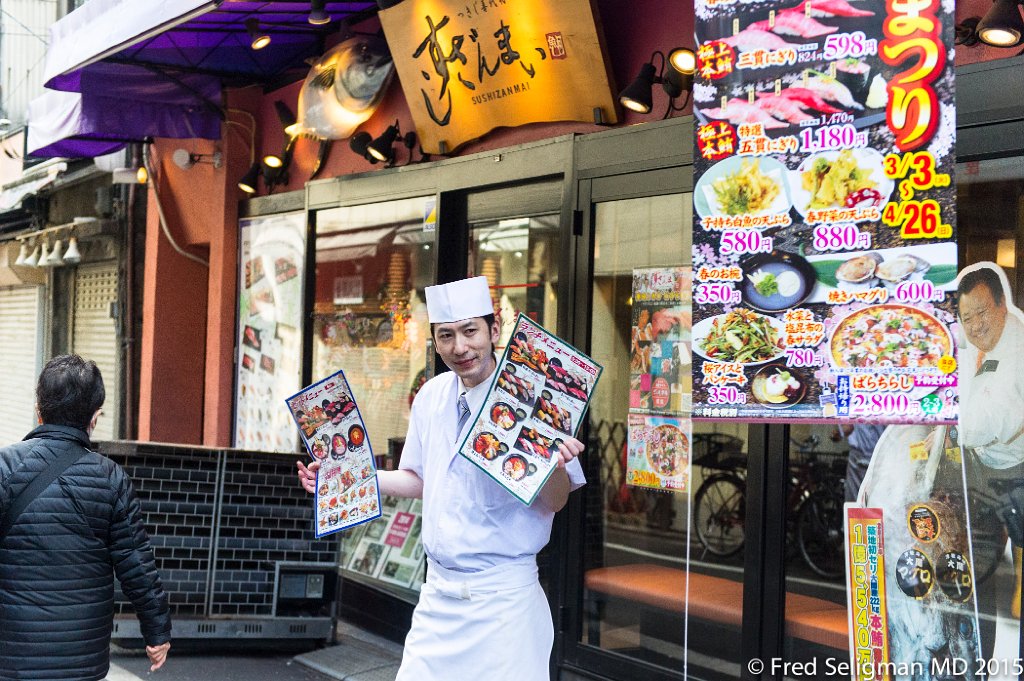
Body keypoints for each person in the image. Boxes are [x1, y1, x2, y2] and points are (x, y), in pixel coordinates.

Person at [297, 276, 585, 681]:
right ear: (435, 340)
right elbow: (419, 479)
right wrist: (346, 477)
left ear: (495, 330)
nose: (460, 347)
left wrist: (555, 466)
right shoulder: (431, 396)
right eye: (446, 335)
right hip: (438, 598)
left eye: (471, 331)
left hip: (503, 603)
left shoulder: (532, 400)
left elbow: (555, 501)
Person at [0, 355, 171, 681]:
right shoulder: (111, 478)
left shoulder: (4, 467)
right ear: (94, 418)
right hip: (81, 660)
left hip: (10, 656)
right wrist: (157, 631)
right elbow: (137, 565)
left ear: (39, 409)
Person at [955, 264, 1024, 659]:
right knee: (977, 571)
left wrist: (945, 422)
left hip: (1016, 474)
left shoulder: (1016, 350)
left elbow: (991, 420)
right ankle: (979, 655)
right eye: (967, 318)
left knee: (1016, 585)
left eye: (982, 313)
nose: (976, 325)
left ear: (1002, 306)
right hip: (985, 470)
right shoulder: (980, 345)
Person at [834, 423, 886, 502]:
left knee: (856, 503)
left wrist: (840, 432)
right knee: (877, 503)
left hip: (864, 458)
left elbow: (848, 427)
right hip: (874, 457)